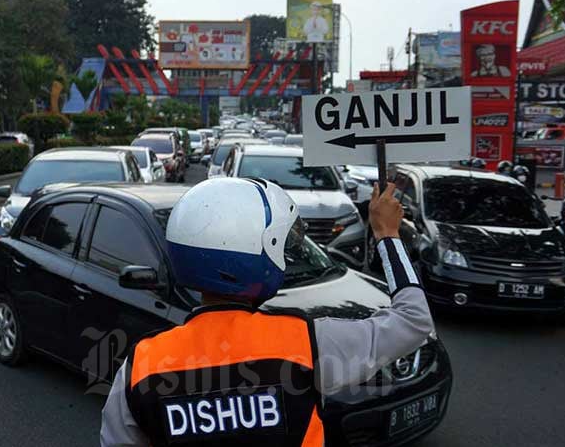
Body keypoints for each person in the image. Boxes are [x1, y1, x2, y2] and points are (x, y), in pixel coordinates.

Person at [100, 178, 433, 446]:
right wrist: (387, 234)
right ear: (257, 256)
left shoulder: (142, 363)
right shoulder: (305, 343)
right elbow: (413, 320)